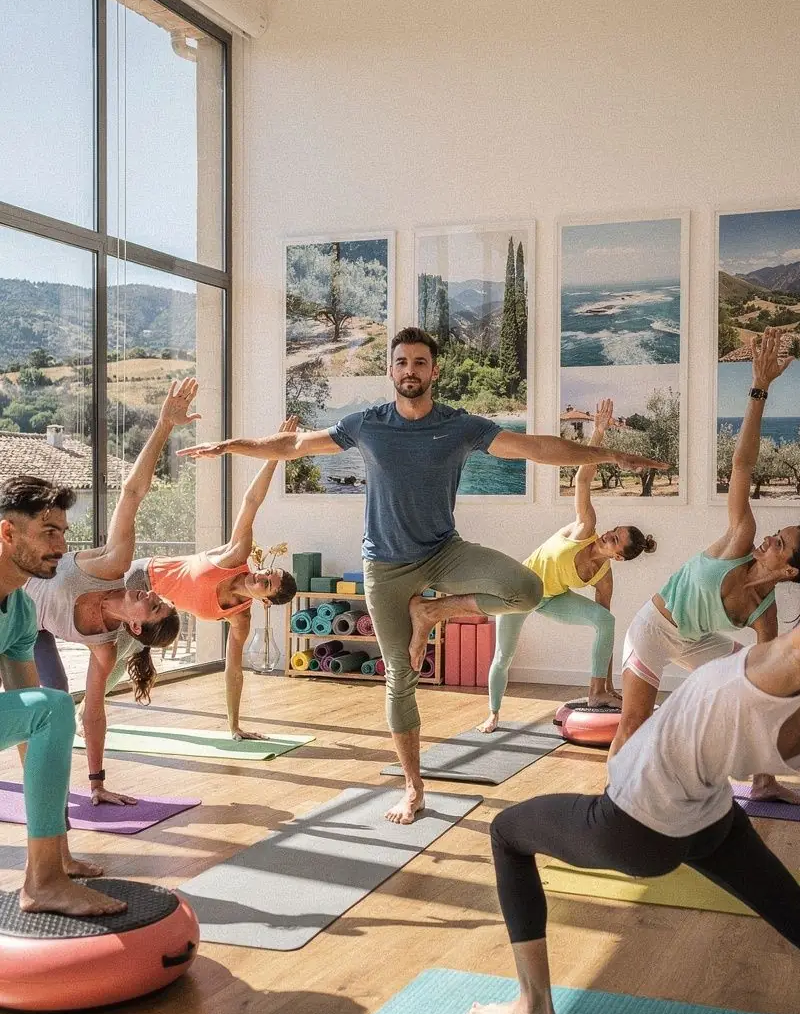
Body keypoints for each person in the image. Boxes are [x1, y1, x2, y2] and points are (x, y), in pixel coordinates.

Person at [180, 327, 666, 823]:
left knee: (526, 589)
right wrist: (230, 446)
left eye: (419, 362)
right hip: (385, 568)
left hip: (442, 552)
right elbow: (294, 444)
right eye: (401, 362)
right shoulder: (367, 425)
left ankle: (433, 609)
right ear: (391, 371)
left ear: (434, 371)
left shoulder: (460, 426)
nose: (409, 370)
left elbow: (536, 448)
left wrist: (609, 454)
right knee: (400, 679)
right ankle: (413, 788)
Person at [467, 583, 800, 1014]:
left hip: (636, 826)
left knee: (506, 832)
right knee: (796, 912)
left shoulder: (786, 660)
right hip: (713, 822)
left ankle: (532, 1011)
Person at [608, 328, 800, 805]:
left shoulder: (764, 612)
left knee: (749, 693)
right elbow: (742, 466)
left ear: (788, 571)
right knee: (635, 721)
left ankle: (762, 782)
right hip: (656, 627)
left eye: (779, 543)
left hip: (698, 640)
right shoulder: (740, 540)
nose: (768, 537)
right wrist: (759, 389)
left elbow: (769, 691)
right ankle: (612, 802)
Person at [25, 379, 199, 805]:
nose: (148, 594)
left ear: (137, 627)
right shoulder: (113, 566)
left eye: (153, 605)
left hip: (30, 631)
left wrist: (98, 782)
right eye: (156, 596)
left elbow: (95, 714)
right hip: (7, 591)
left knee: (58, 704)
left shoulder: (104, 647)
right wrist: (163, 426)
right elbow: (133, 493)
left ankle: (51, 794)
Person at [479, 399, 656, 734]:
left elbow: (604, 632)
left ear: (618, 557)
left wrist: (607, 684)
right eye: (614, 531)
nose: (608, 535)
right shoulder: (585, 528)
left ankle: (598, 691)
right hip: (519, 589)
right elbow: (583, 482)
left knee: (606, 620)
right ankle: (493, 713)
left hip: (549, 599)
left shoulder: (604, 577)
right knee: (504, 654)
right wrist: (598, 434)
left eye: (615, 540)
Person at [124, 416, 298, 740]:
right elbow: (251, 501)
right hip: (139, 578)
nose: (260, 576)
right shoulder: (236, 556)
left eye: (266, 584)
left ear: (266, 601)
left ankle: (78, 717)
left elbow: (233, 671)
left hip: (153, 611)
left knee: (118, 653)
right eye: (267, 572)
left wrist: (234, 726)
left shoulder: (240, 618)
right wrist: (277, 453)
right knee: (108, 646)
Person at [0, 476, 126, 917]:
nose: (60, 546)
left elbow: (29, 725)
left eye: (64, 533)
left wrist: (57, 849)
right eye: (48, 532)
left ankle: (49, 872)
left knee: (49, 707)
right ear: (7, 532)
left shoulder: (19, 610)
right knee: (53, 706)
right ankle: (44, 881)